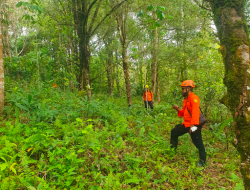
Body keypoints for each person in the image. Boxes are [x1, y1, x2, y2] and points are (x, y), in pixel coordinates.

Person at [171, 80, 206, 167]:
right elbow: (185, 113)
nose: (182, 91)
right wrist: (177, 110)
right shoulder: (186, 100)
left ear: (189, 88)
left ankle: (202, 161)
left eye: (183, 89)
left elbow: (194, 112)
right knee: (174, 132)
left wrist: (193, 126)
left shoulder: (194, 98)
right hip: (186, 124)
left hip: (194, 125)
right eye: (182, 89)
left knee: (198, 143)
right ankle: (171, 151)